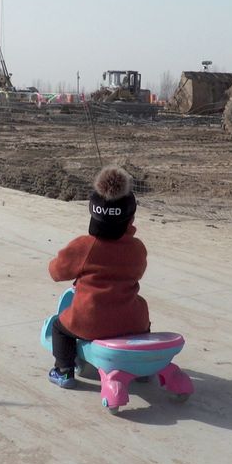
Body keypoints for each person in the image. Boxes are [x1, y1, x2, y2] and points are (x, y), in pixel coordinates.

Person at [46, 165, 150, 389]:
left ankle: (63, 370)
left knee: (59, 327)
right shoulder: (137, 248)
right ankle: (142, 367)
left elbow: (56, 272)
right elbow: (138, 272)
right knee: (141, 311)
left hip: (91, 320)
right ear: (131, 218)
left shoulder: (85, 245)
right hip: (133, 321)